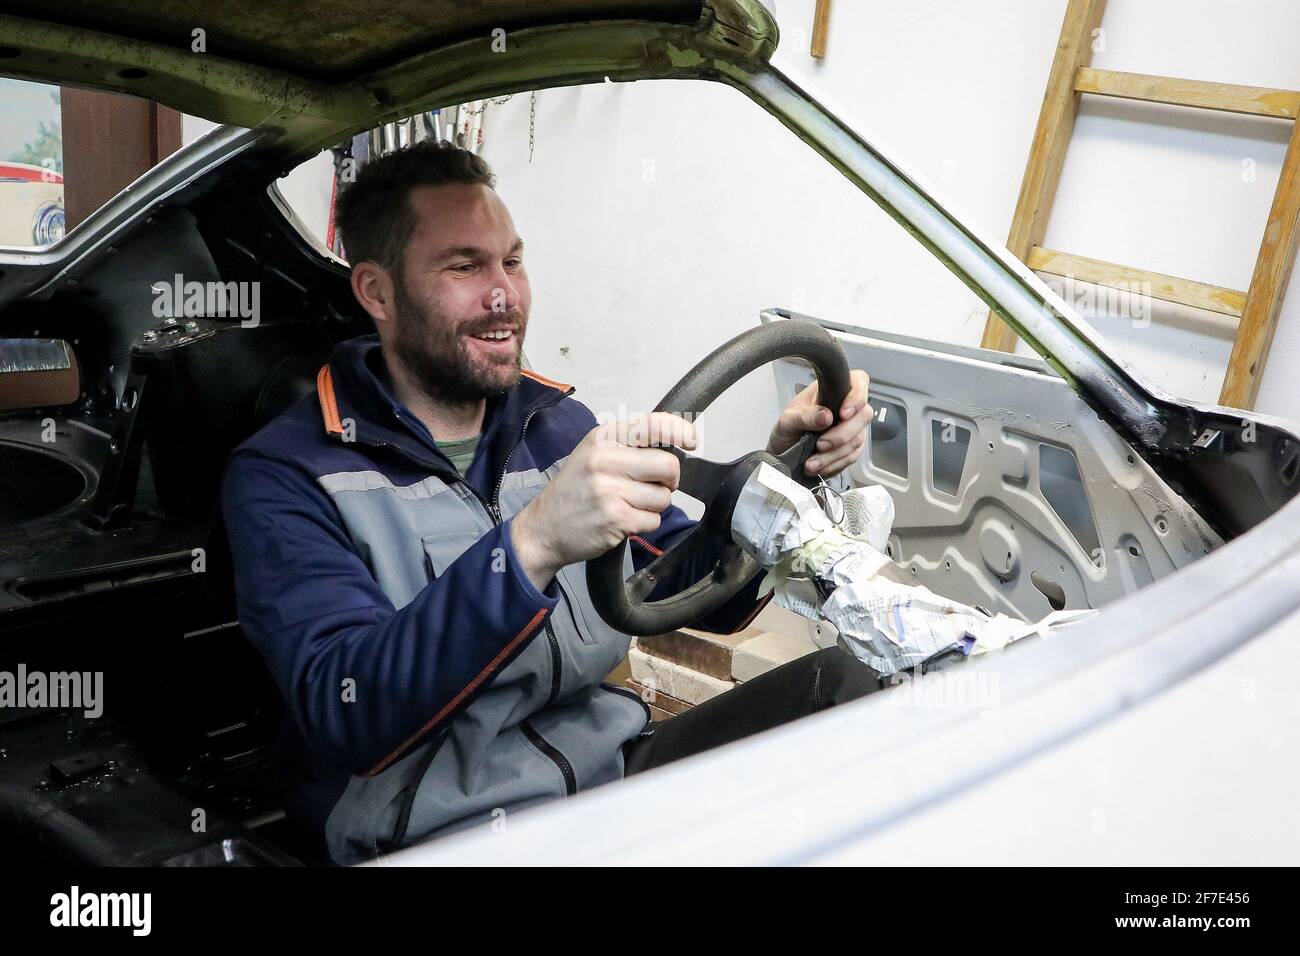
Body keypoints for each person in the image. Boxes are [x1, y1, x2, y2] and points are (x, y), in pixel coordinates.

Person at [221, 140, 883, 865]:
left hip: (612, 780)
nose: (504, 294)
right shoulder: (286, 476)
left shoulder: (557, 423)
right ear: (377, 293)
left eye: (512, 260)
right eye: (465, 266)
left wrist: (785, 471)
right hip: (441, 835)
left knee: (852, 686)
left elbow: (697, 596)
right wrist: (530, 546)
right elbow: (346, 710)